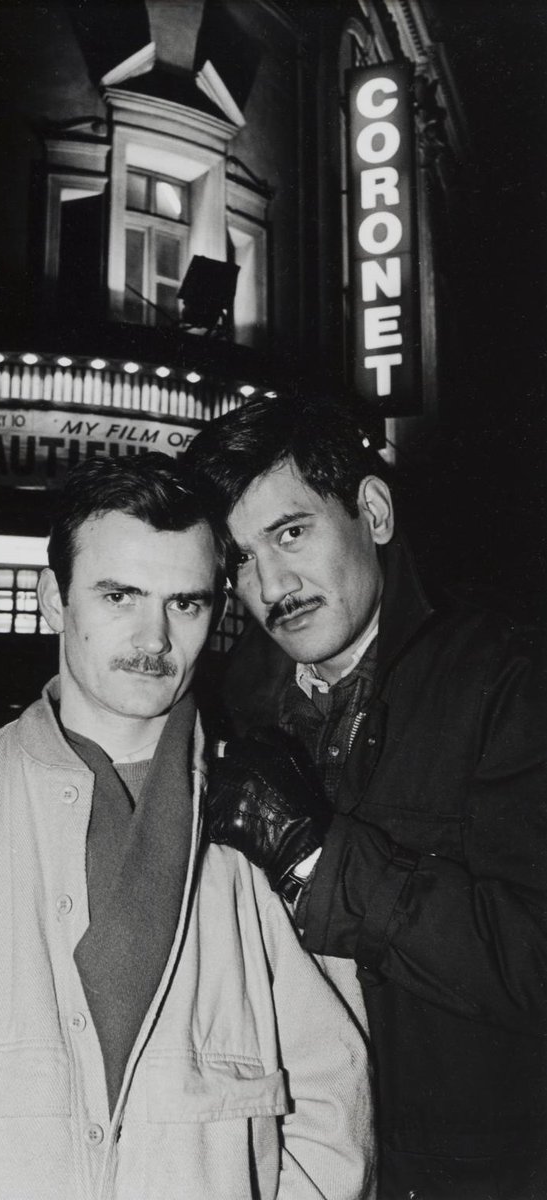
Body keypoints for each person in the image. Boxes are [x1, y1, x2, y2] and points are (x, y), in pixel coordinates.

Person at [0, 453, 375, 1200]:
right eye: (119, 595)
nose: (153, 637)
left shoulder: (264, 817)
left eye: (184, 603)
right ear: (54, 600)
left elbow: (332, 1091)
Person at [186, 395, 547, 1200]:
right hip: (292, 1166)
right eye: (239, 559)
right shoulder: (223, 719)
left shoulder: (508, 682)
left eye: (290, 532)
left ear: (372, 513)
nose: (271, 582)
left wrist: (317, 860)